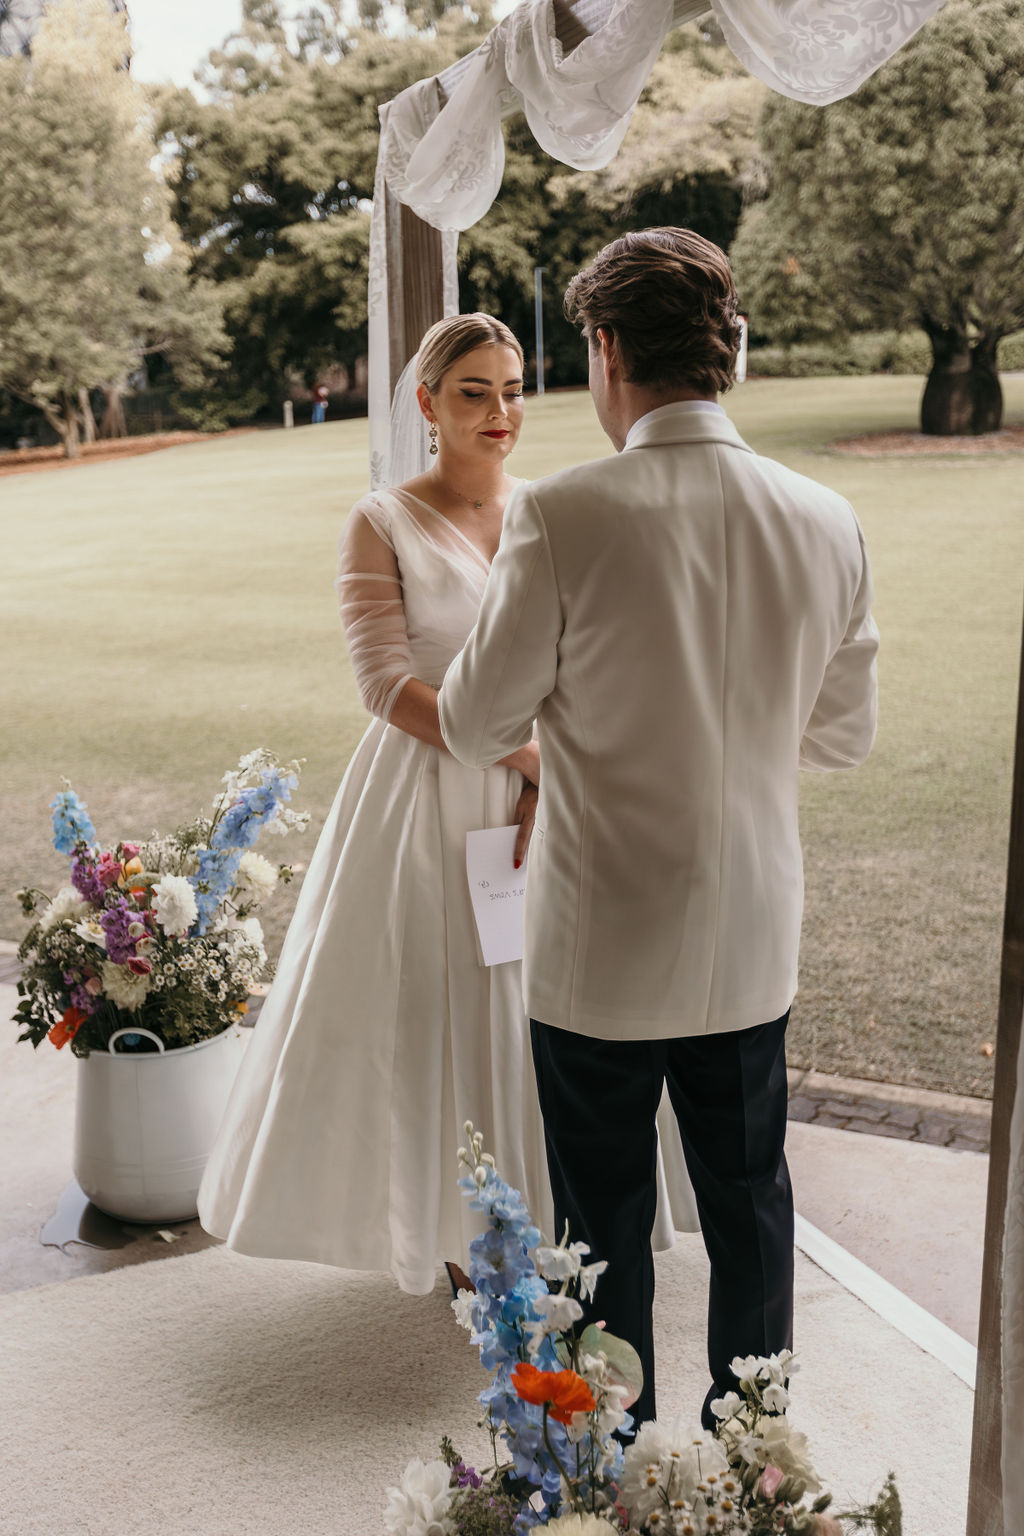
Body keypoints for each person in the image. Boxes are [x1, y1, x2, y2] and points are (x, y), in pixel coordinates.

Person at [438, 232, 879, 1425]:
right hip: (746, 932)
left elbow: (477, 719)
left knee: (600, 1229)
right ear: (721, 351)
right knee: (749, 1210)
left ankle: (603, 1465)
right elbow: (841, 738)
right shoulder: (825, 516)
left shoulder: (567, 514)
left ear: (609, 348)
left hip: (595, 951)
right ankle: (748, 1455)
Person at [198, 313, 696, 1295]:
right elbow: (385, 686)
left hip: (555, 788)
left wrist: (560, 773)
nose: (500, 411)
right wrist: (528, 760)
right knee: (440, 1006)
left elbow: (591, 662)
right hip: (427, 793)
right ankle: (455, 1234)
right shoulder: (380, 520)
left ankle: (567, 1219)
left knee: (554, 1003)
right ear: (427, 403)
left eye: (513, 390)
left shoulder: (555, 510)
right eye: (474, 392)